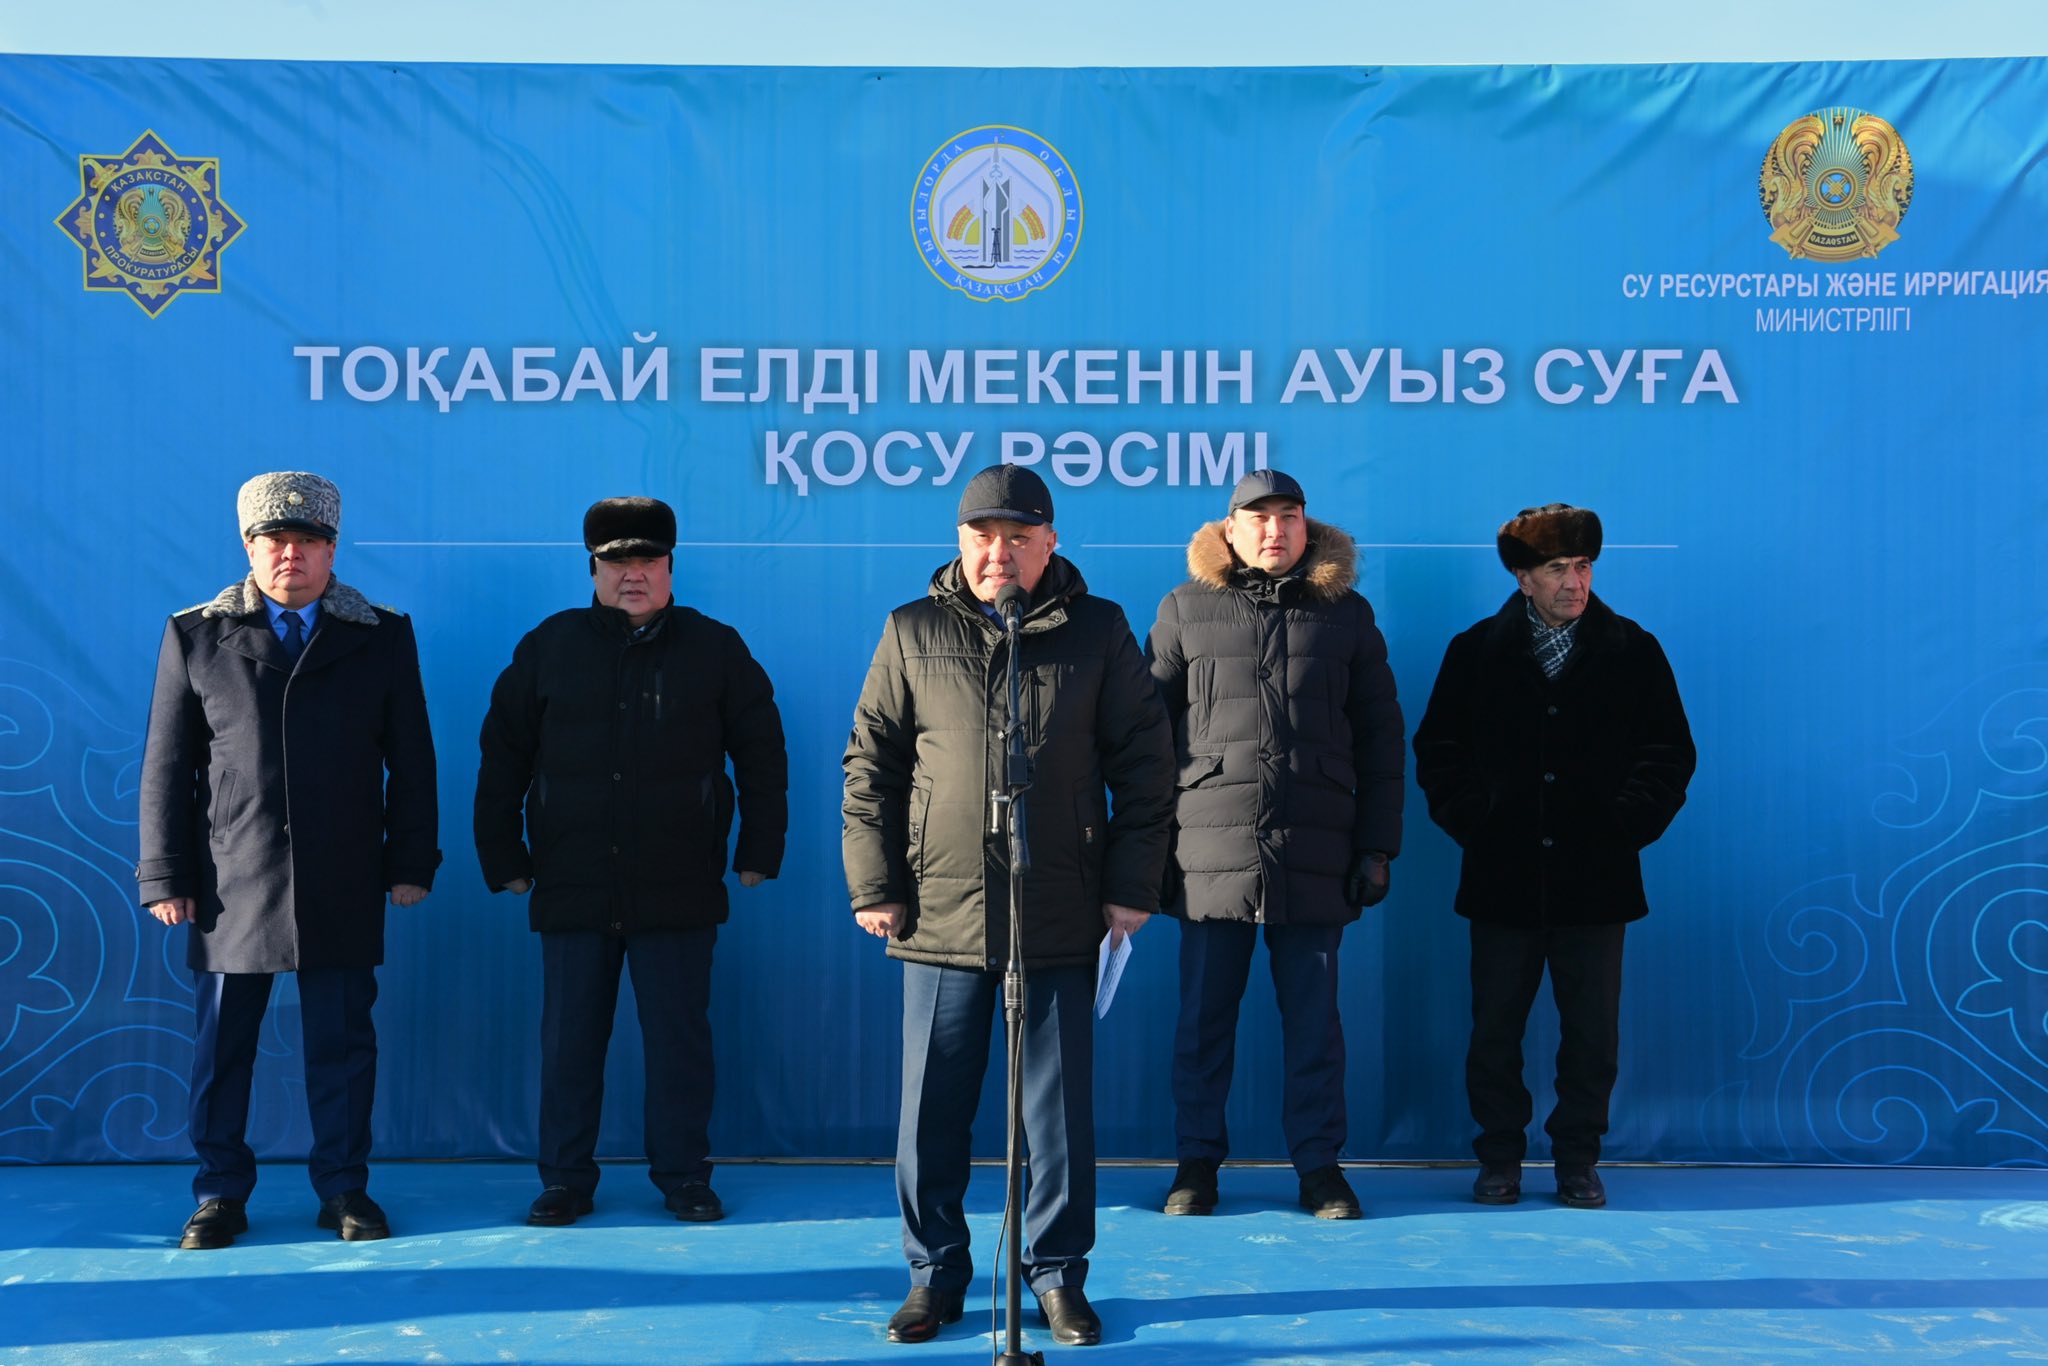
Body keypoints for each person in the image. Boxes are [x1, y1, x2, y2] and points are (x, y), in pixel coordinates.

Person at [842, 464, 1174, 1347]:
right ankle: (934, 1275)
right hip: (939, 914)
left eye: (1019, 538)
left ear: (1050, 542)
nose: (1001, 554)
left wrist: (1131, 887)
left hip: (1059, 905)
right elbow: (871, 767)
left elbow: (1147, 769)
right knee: (930, 1112)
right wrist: (877, 884)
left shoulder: (1099, 631)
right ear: (959, 542)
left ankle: (1057, 1276)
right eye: (984, 537)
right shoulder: (911, 630)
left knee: (1055, 1120)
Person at [138, 471, 440, 1249]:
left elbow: (412, 758)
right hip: (230, 882)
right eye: (275, 540)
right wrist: (166, 874)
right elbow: (167, 767)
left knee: (342, 1048)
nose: (291, 555)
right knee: (223, 1048)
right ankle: (219, 1193)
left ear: (333, 550)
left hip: (343, 873)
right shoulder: (196, 635)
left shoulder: (381, 635)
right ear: (249, 547)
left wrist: (410, 861)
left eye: (309, 540)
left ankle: (344, 1189)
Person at [475, 496, 787, 1227]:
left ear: (671, 567)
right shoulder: (549, 646)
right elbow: (502, 757)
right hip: (573, 880)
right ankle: (564, 1180)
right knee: (569, 1042)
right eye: (617, 562)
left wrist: (758, 850)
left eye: (648, 560)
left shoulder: (715, 648)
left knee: (680, 1042)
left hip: (679, 881)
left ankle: (684, 1176)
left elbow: (762, 754)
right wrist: (503, 855)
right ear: (593, 569)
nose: (633, 574)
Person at [1412, 503, 1695, 1209]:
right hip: (1500, 878)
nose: (1575, 582)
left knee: (1593, 1036)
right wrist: (1479, 823)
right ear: (1522, 577)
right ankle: (1499, 1159)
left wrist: (1620, 826)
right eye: (1557, 568)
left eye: (1584, 566)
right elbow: (1438, 751)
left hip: (1597, 881)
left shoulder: (1635, 650)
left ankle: (1578, 1160)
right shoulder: (1474, 651)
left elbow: (1669, 754)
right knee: (1494, 1032)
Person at [1145, 469, 1405, 1221]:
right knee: (1202, 1023)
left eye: (1288, 516)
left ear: (1306, 527)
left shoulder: (1346, 614)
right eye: (1258, 518)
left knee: (1315, 1026)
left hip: (1316, 851)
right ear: (1230, 530)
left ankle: (1321, 1169)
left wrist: (1377, 846)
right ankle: (1196, 1165)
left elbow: (1381, 736)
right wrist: (1148, 849)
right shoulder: (1185, 608)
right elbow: (1144, 737)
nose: (1274, 530)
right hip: (1206, 854)